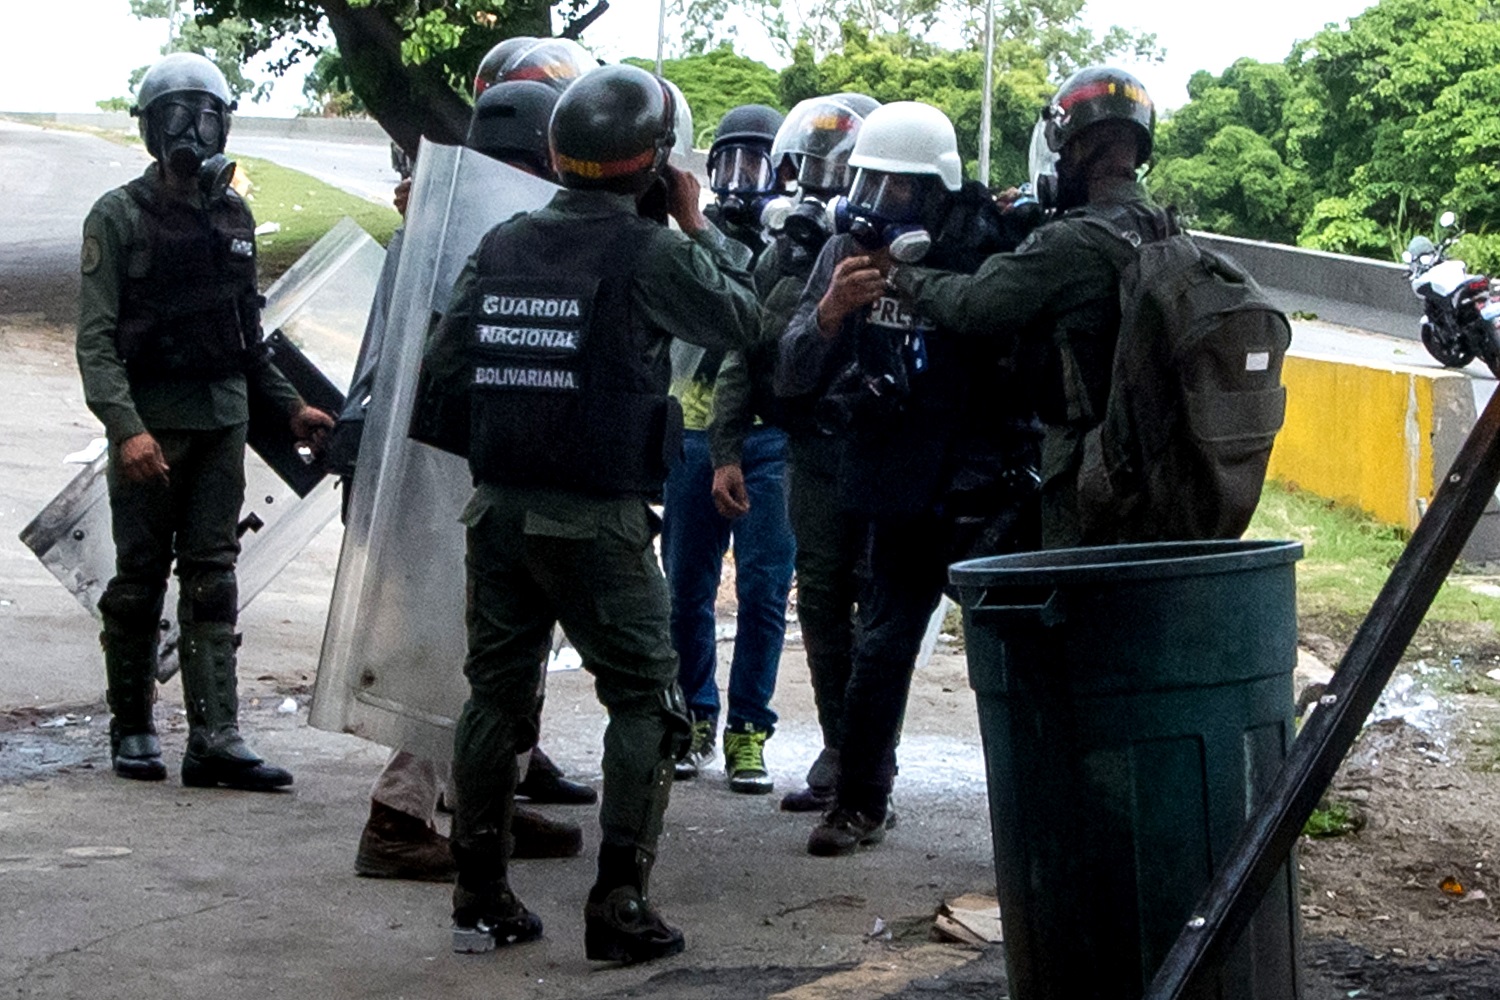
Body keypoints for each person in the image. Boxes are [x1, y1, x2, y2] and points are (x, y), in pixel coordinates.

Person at [412, 65, 763, 961]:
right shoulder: (648, 252)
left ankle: (479, 894)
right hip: (596, 519)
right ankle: (618, 906)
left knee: (496, 696)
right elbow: (745, 320)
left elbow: (445, 376)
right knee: (648, 701)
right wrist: (698, 221)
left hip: (498, 511)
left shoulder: (503, 242)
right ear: (653, 160)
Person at [344, 80, 597, 883]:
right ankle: (396, 817)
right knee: (449, 645)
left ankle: (486, 796)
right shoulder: (485, 232)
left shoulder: (443, 223)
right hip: (446, 461)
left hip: (449, 453)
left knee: (492, 643)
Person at [776, 101, 1042, 856]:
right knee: (883, 645)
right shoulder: (843, 255)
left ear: (938, 189)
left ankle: (1045, 806)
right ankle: (860, 800)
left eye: (901, 190)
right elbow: (792, 372)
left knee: (1021, 650)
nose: (879, 205)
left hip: (984, 482)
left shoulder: (986, 245)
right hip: (892, 474)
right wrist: (830, 315)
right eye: (870, 184)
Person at [76, 53, 334, 790]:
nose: (191, 130)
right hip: (152, 430)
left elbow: (247, 342)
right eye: (175, 116)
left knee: (213, 579)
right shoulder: (118, 216)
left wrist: (290, 407)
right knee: (138, 581)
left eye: (206, 114)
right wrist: (126, 428)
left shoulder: (233, 216)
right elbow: (95, 341)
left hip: (221, 423)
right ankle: (132, 729)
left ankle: (215, 738)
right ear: (152, 128)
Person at [886, 67, 1172, 550]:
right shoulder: (1163, 228)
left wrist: (902, 275)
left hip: (1084, 459)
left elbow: (976, 305)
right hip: (1156, 453)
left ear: (1079, 149)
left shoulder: (1070, 242)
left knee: (1071, 602)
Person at [664, 104, 796, 794]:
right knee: (685, 589)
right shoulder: (687, 237)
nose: (742, 178)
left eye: (759, 162)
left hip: (768, 434)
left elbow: (750, 308)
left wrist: (699, 230)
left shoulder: (791, 243)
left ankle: (749, 727)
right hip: (689, 432)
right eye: (730, 162)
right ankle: (693, 716)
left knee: (765, 589)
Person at [753, 93, 879, 812]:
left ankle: (868, 767)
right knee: (824, 605)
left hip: (890, 457)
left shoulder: (935, 245)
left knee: (880, 613)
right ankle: (840, 748)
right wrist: (830, 309)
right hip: (819, 455)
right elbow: (786, 365)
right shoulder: (824, 251)